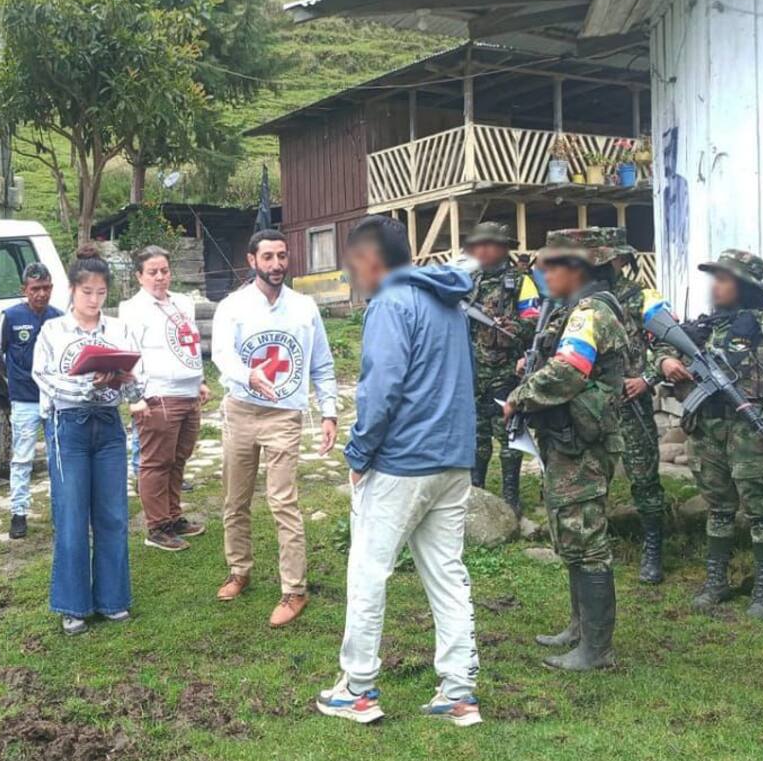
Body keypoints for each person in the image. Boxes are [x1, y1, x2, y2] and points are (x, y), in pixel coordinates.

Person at [316, 215, 481, 727]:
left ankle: (358, 688)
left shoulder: (390, 303)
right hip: (453, 459)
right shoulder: (448, 301)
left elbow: (380, 388)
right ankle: (458, 692)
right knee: (447, 573)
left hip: (403, 462)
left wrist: (358, 455)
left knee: (368, 570)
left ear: (369, 260)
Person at [504, 229, 627, 671]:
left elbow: (568, 371)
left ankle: (596, 650)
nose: (542, 272)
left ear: (576, 269)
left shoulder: (590, 312)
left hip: (584, 445)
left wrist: (520, 395)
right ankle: (579, 629)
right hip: (570, 440)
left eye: (551, 265)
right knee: (573, 535)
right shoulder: (575, 310)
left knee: (587, 539)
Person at [211, 228, 338, 628]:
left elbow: (322, 364)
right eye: (268, 257)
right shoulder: (232, 306)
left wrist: (330, 412)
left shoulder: (304, 307)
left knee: (283, 502)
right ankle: (239, 570)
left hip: (284, 414)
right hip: (241, 410)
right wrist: (249, 376)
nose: (277, 264)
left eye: (282, 256)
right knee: (235, 499)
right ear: (252, 261)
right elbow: (221, 355)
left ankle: (294, 590)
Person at [32, 245, 145, 635]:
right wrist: (85, 386)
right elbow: (42, 377)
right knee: (72, 514)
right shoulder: (53, 330)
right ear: (73, 291)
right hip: (69, 427)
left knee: (113, 514)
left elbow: (138, 381)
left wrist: (125, 381)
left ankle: (113, 599)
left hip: (109, 426)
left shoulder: (119, 329)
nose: (94, 300)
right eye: (87, 293)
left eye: (101, 293)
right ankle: (73, 604)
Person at [656, 249, 763, 618]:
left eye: (725, 280)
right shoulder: (704, 326)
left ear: (745, 286)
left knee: (760, 509)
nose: (716, 287)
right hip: (707, 427)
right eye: (715, 279)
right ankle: (716, 580)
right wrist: (666, 361)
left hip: (751, 429)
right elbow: (659, 345)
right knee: (718, 505)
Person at [120, 245, 210, 552]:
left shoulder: (182, 303)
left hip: (188, 393)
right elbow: (129, 355)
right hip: (158, 395)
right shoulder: (133, 309)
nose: (160, 277)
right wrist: (136, 397)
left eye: (165, 271)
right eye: (153, 272)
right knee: (156, 462)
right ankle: (156, 526)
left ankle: (173, 516)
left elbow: (189, 345)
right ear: (139, 276)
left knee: (178, 458)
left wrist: (200, 380)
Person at [462, 221, 539, 517]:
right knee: (477, 434)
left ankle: (510, 497)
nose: (480, 250)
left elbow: (536, 323)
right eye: (477, 244)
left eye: (487, 244)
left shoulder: (521, 281)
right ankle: (476, 490)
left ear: (503, 247)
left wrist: (514, 327)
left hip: (508, 370)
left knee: (508, 434)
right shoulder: (470, 279)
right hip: (474, 369)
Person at [606, 229, 669, 584]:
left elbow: (669, 343)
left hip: (631, 403)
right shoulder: (579, 296)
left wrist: (646, 378)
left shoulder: (644, 296)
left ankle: (653, 547)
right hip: (592, 403)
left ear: (621, 259)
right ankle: (593, 543)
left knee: (644, 477)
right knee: (590, 476)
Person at [0, 262, 62, 539]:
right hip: (24, 401)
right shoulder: (10, 316)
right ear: (25, 290)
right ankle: (18, 513)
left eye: (45, 288)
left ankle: (61, 510)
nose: (40, 294)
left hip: (54, 399)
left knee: (59, 456)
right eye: (35, 289)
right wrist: (14, 378)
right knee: (22, 459)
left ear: (51, 288)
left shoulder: (59, 318)